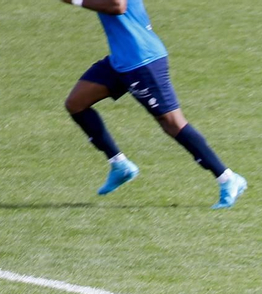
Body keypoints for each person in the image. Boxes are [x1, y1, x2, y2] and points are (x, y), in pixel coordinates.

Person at [60, 0, 247, 209]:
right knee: (76, 103)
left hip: (142, 61)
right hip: (120, 60)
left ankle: (227, 178)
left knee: (172, 123)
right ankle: (120, 165)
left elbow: (117, 6)